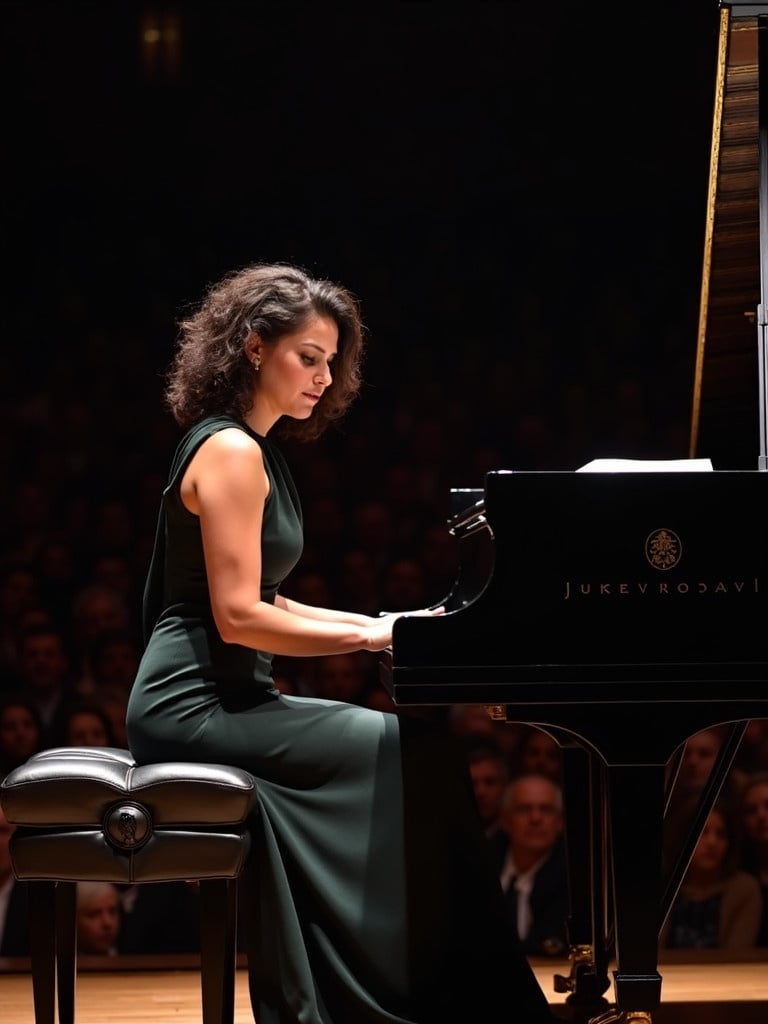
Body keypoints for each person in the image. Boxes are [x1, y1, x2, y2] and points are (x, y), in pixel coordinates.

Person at [125, 262, 558, 1024]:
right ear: (254, 347)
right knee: (415, 756)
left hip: (232, 695)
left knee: (417, 754)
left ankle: (408, 985)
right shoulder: (231, 454)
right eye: (309, 356)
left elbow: (272, 598)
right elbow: (238, 618)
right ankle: (416, 993)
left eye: (333, 362)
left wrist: (393, 623)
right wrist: (369, 634)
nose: (326, 377)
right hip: (191, 705)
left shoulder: (256, 452)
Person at [660, 801, 761, 951]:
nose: (712, 842)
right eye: (702, 833)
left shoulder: (744, 889)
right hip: (668, 973)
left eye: (720, 835)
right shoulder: (663, 887)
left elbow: (736, 957)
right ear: (683, 837)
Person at [497, 773, 570, 958]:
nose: (535, 818)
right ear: (504, 820)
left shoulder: (576, 879)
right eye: (524, 809)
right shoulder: (480, 866)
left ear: (560, 821)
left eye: (546, 809)